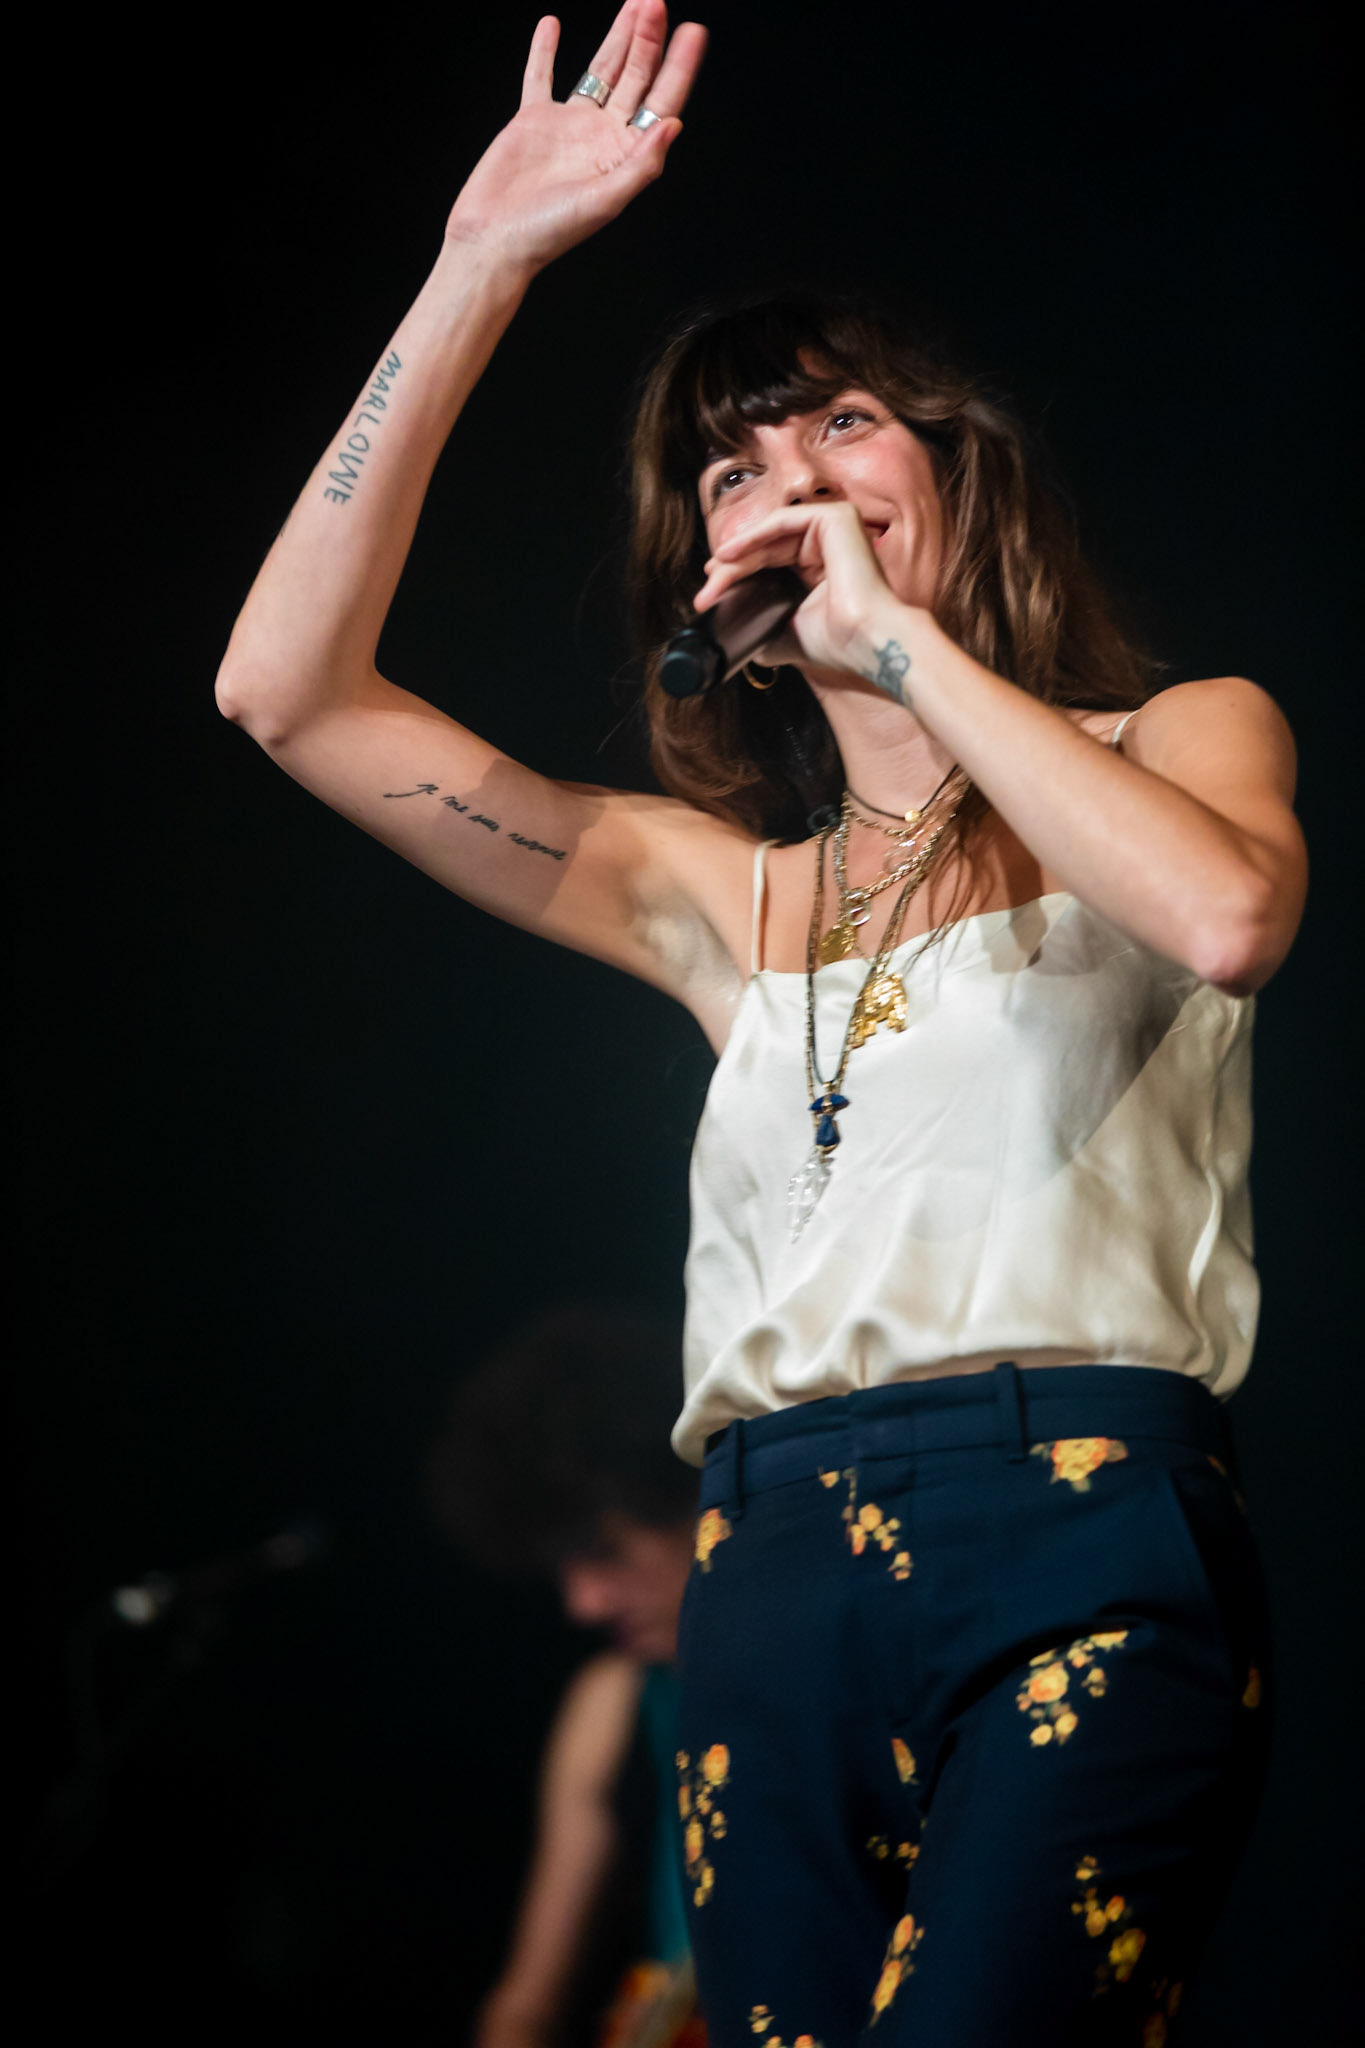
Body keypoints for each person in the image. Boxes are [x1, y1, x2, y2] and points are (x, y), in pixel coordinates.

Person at [215, 6, 1308, 2041]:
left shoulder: (1174, 738)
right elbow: (285, 694)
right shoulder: (722, 892)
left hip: (1075, 1525)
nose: (791, 480)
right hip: (770, 1562)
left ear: (955, 467)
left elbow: (1228, 916)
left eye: (840, 429)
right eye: (736, 465)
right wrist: (476, 267)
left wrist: (895, 643)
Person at [430, 1304, 700, 2048]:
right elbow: (526, 2006)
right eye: (563, 1567)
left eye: (605, 1551)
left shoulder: (832, 1659)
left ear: (695, 1489)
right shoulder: (613, 1700)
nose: (582, 1605)